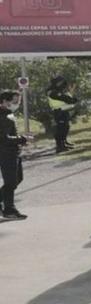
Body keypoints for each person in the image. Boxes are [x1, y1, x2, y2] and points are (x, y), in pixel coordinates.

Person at [0, 90, 32, 219]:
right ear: (4, 101)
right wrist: (22, 139)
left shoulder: (8, 113)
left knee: (17, 179)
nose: (17, 104)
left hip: (12, 151)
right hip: (6, 152)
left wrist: (21, 140)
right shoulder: (3, 116)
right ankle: (9, 210)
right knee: (11, 182)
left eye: (19, 101)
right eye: (15, 101)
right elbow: (4, 138)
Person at [47, 75, 77, 153]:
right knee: (60, 129)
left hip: (64, 111)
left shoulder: (59, 91)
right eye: (61, 82)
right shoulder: (52, 92)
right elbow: (66, 99)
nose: (62, 84)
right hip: (58, 112)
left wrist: (71, 96)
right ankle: (59, 146)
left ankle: (63, 143)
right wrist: (72, 99)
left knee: (65, 128)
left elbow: (69, 99)